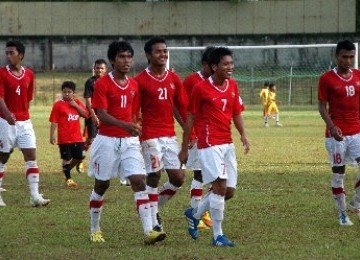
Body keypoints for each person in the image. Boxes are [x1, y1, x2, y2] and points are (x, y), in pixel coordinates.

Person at [88, 40, 166, 244]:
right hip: (106, 141)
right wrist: (126, 125)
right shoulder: (102, 83)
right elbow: (101, 115)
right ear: (113, 60)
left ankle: (150, 231)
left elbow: (134, 113)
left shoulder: (134, 85)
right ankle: (95, 228)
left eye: (129, 57)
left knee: (139, 181)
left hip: (129, 141)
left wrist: (135, 127)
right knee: (102, 185)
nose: (126, 61)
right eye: (122, 57)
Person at [179, 47, 250, 247]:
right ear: (214, 66)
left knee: (229, 191)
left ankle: (194, 214)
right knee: (219, 187)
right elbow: (190, 117)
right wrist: (185, 147)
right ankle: (218, 236)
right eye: (225, 64)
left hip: (227, 143)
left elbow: (236, 112)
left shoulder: (233, 85)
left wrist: (243, 133)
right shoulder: (200, 88)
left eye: (231, 63)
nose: (230, 67)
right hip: (208, 144)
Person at [135, 36, 188, 234]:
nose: (163, 54)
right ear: (148, 55)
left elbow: (180, 107)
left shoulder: (174, 78)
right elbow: (134, 110)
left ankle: (151, 206)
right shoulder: (140, 80)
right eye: (158, 51)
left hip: (169, 135)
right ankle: (153, 219)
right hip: (149, 135)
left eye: (165, 51)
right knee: (155, 174)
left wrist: (187, 130)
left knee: (178, 177)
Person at [0, 40, 50, 207]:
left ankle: (34, 196)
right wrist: (7, 114)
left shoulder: (29, 74)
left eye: (11, 53)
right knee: (3, 157)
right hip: (4, 122)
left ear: (20, 55)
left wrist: (23, 116)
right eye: (7, 53)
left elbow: (28, 98)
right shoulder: (2, 73)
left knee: (31, 156)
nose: (8, 56)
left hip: (25, 122)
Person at [318, 40, 360, 226]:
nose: (348, 60)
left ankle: (356, 203)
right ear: (337, 56)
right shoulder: (327, 79)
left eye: (351, 57)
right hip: (337, 135)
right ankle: (342, 214)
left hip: (357, 131)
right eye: (344, 57)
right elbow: (321, 106)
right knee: (338, 173)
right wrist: (332, 126)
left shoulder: (358, 76)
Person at [182, 46, 216, 230]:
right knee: (200, 173)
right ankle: (198, 213)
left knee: (215, 175)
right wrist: (191, 134)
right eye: (214, 65)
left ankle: (200, 211)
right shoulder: (191, 81)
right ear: (206, 64)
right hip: (197, 136)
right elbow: (184, 109)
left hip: (214, 136)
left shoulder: (217, 81)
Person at [49, 81, 88, 188]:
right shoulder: (58, 105)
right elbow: (53, 121)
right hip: (64, 138)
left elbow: (86, 114)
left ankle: (67, 169)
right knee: (66, 159)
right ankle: (68, 179)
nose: (66, 94)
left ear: (74, 93)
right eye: (64, 92)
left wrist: (75, 105)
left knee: (81, 155)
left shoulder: (78, 102)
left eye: (69, 92)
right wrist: (52, 135)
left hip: (77, 137)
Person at [76, 59, 107, 174]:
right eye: (97, 68)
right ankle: (80, 158)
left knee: (106, 141)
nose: (99, 70)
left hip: (105, 116)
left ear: (105, 70)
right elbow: (88, 102)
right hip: (92, 116)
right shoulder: (90, 82)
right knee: (90, 141)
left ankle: (101, 165)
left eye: (102, 68)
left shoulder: (109, 82)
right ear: (94, 69)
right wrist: (94, 115)